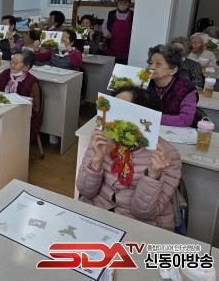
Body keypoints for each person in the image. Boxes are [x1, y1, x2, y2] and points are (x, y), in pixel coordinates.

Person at [76, 86, 181, 231]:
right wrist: (97, 160)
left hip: (139, 226)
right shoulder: (103, 139)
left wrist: (153, 177)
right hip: (97, 216)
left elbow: (144, 212)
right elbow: (85, 191)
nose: (114, 118)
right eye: (112, 109)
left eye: (122, 111)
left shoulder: (167, 155)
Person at [0, 49, 41, 144]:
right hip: (1, 111)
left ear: (26, 67)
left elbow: (35, 108)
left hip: (21, 117)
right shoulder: (5, 74)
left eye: (16, 63)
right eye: (11, 61)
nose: (12, 64)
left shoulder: (31, 82)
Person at [147, 44, 197, 127]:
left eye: (158, 64)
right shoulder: (143, 83)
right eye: (150, 63)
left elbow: (185, 120)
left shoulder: (186, 88)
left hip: (176, 133)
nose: (151, 67)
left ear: (173, 70)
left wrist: (153, 118)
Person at [103, 0, 134, 64]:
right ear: (118, 3)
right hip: (111, 48)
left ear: (129, 3)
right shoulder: (110, 14)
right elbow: (104, 26)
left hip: (127, 49)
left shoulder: (133, 15)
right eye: (120, 2)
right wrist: (107, 33)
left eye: (125, 2)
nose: (122, 4)